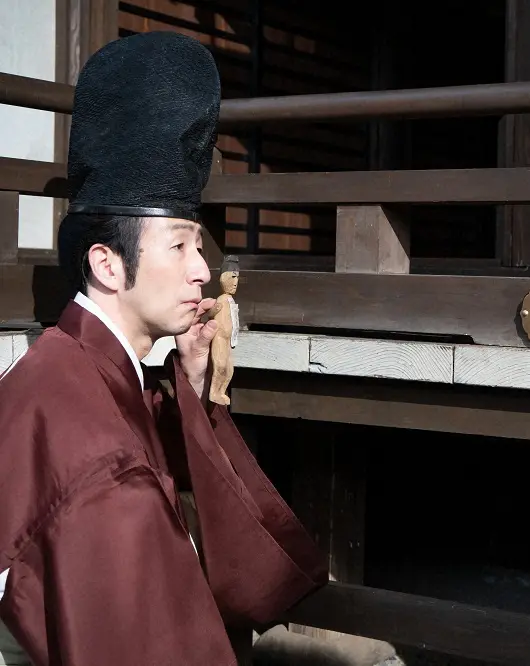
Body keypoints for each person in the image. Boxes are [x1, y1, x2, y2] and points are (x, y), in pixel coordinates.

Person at [0, 31, 327, 665]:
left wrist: (193, 385)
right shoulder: (106, 470)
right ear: (107, 264)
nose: (202, 270)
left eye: (198, 247)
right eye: (178, 246)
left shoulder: (60, 363)